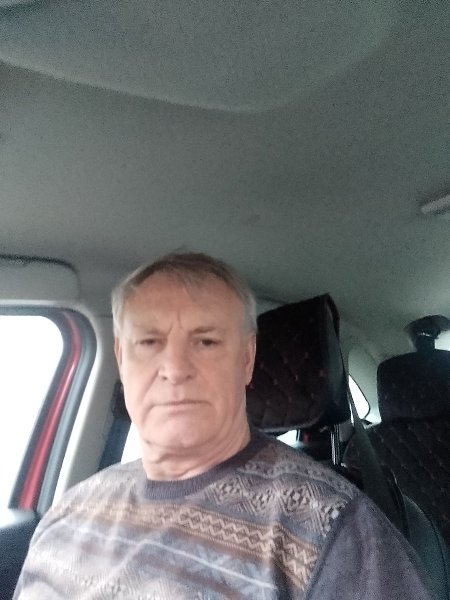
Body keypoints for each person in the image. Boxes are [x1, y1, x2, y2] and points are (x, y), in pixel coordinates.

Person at [14, 252, 434, 599]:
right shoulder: (69, 509)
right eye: (149, 342)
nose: (175, 368)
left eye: (206, 341)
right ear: (122, 358)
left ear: (246, 359)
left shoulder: (331, 530)